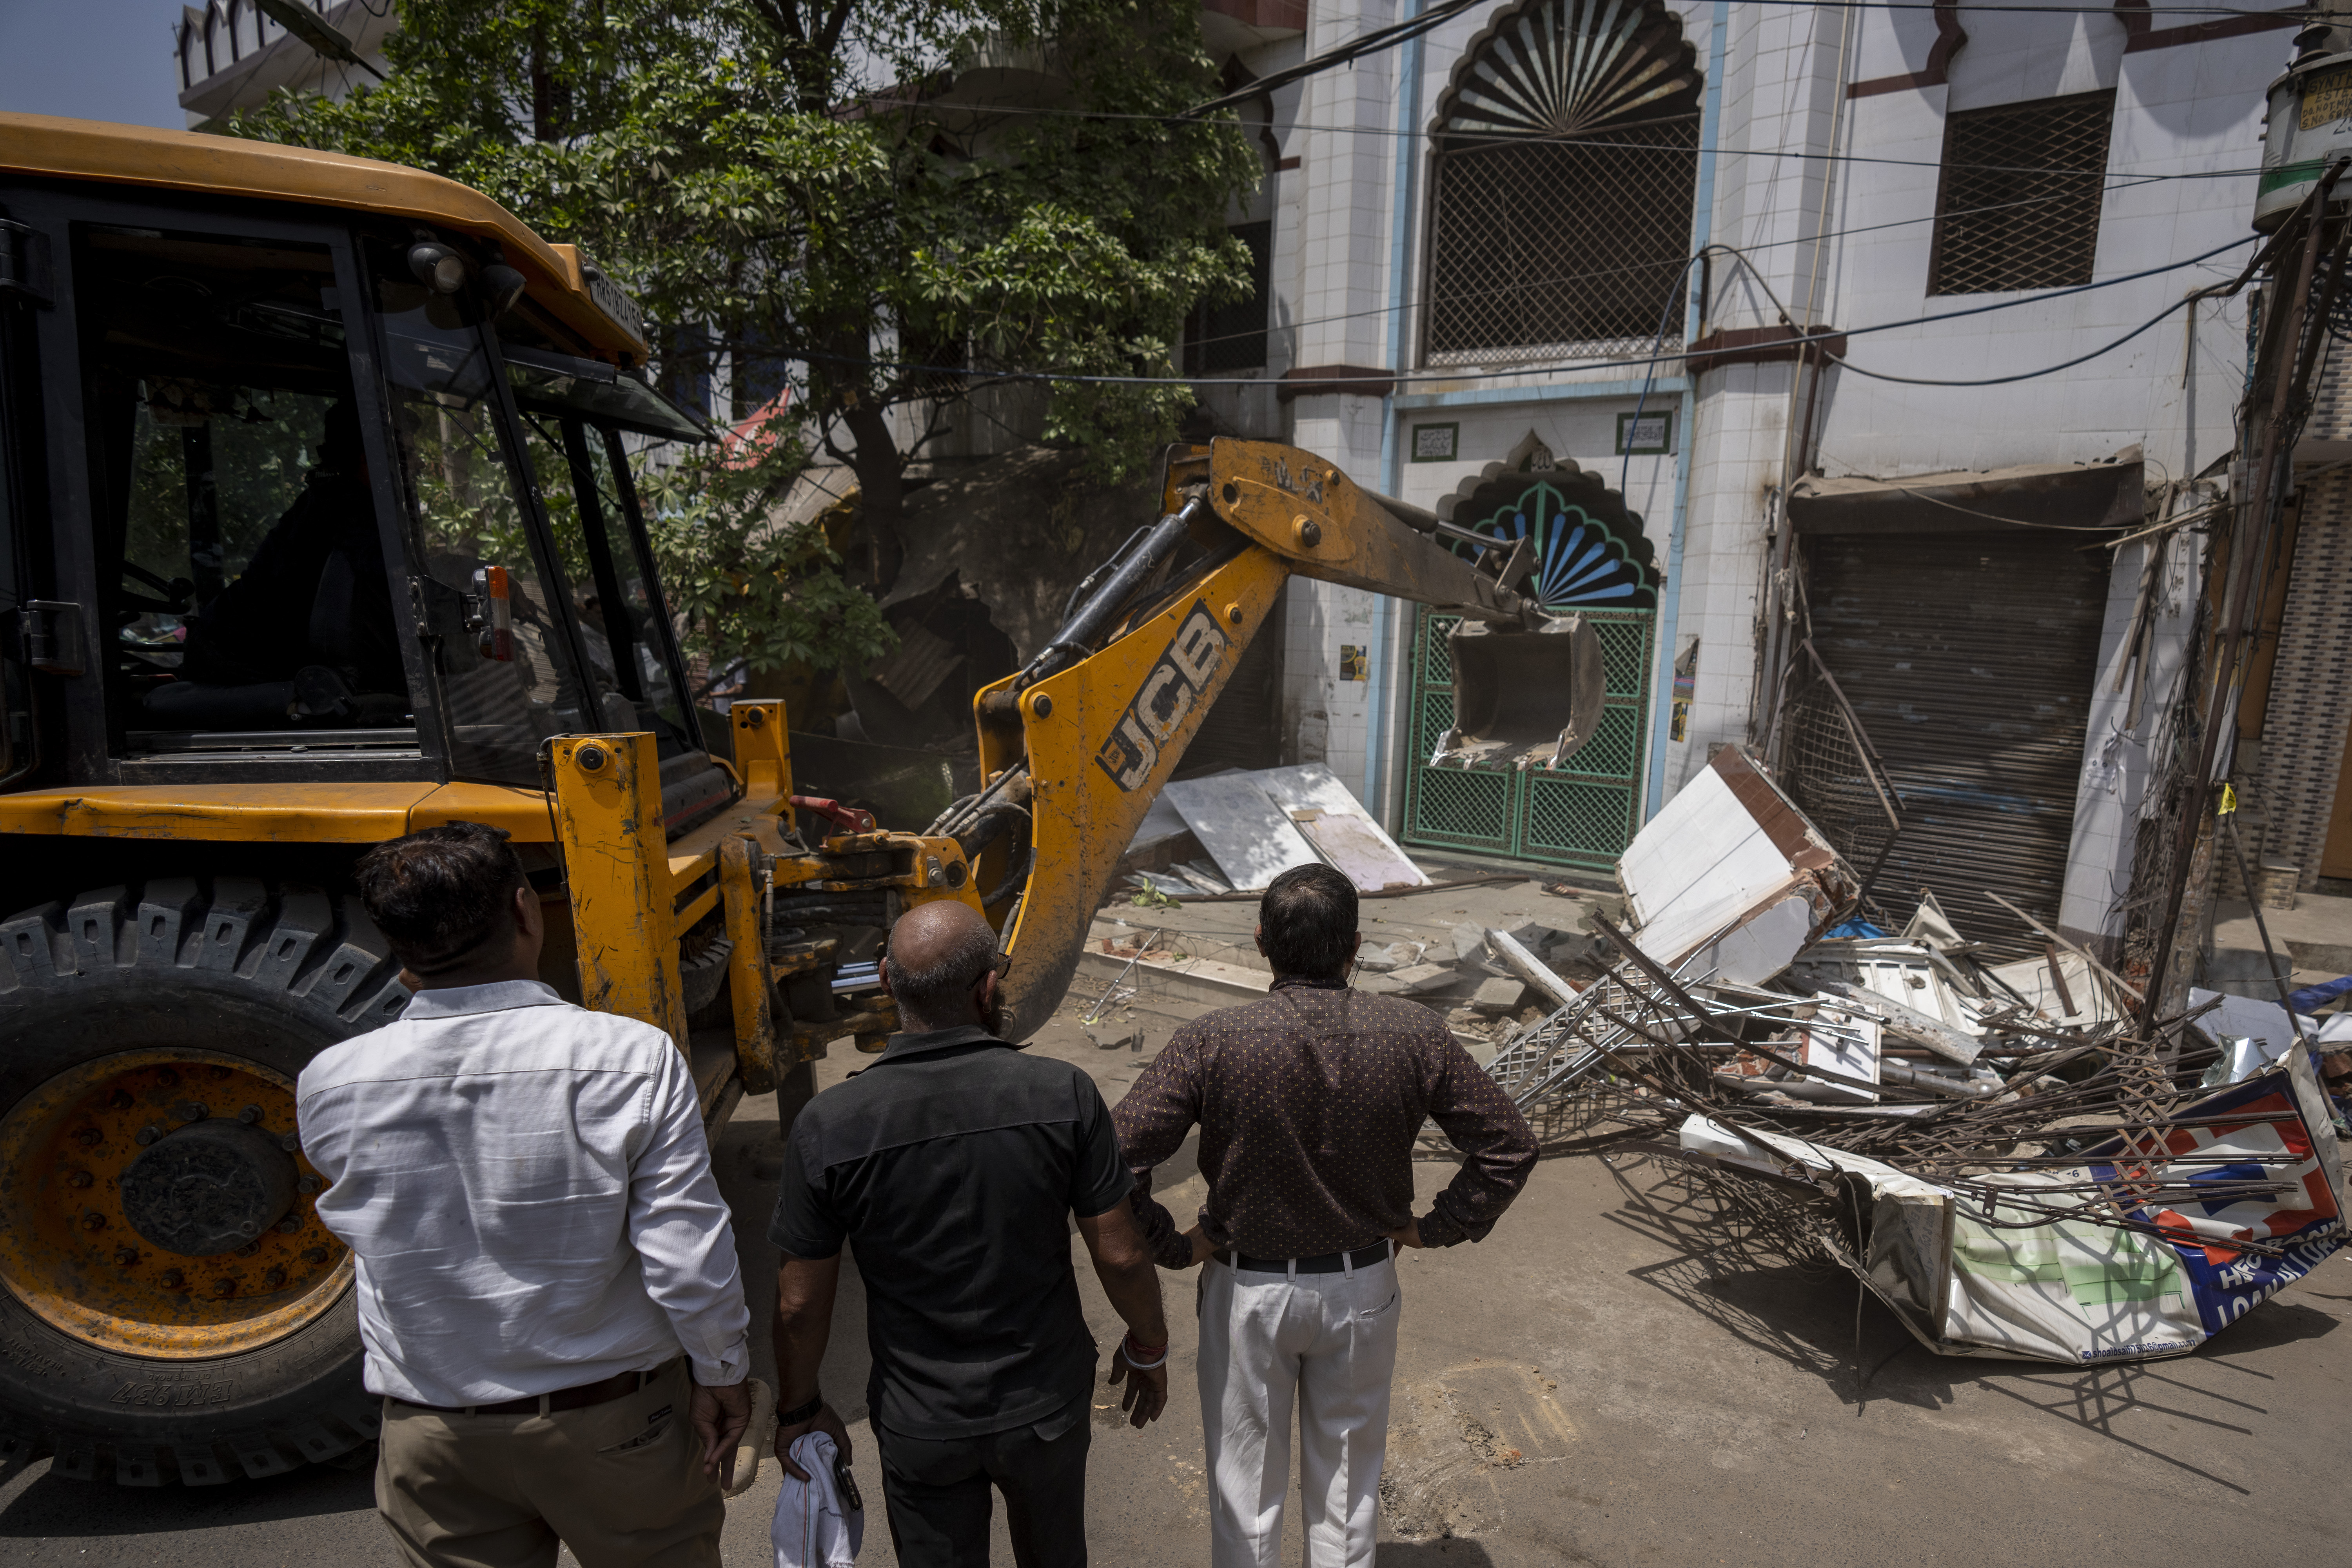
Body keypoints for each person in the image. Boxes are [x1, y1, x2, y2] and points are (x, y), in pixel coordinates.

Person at [297, 823, 753, 1568]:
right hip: (613, 1425)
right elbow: (686, 1253)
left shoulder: (329, 1082)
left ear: (396, 945)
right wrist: (723, 1373)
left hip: (430, 1435)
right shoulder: (629, 1059)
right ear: (525, 910)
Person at [1114, 862, 1540, 1568]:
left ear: (1260, 941)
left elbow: (1113, 1155)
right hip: (1361, 1288)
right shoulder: (1415, 1033)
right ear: (1356, 946)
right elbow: (1510, 1145)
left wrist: (1175, 1244)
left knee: (1244, 1488)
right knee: (1347, 1489)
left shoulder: (1213, 1040)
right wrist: (1432, 1227)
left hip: (1245, 1292)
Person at [767, 899, 1169, 1568]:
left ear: (888, 985)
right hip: (1045, 1409)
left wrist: (798, 1408)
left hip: (920, 1424)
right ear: (988, 988)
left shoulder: (829, 1124)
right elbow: (1122, 1256)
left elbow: (799, 1304)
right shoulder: (1062, 1093)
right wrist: (1149, 1345)